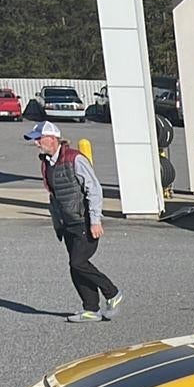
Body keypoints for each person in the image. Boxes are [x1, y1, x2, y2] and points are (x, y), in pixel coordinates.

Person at [24, 120, 124, 324]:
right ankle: (91, 309)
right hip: (67, 223)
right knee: (75, 266)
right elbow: (56, 196)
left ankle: (112, 293)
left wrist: (95, 221)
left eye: (39, 139)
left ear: (52, 139)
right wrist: (58, 224)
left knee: (78, 262)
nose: (36, 143)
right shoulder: (47, 163)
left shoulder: (75, 159)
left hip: (83, 221)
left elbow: (93, 189)